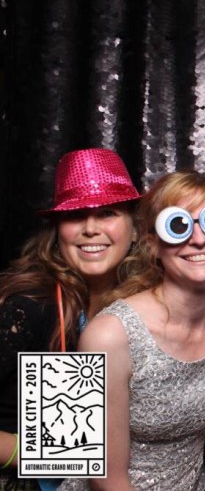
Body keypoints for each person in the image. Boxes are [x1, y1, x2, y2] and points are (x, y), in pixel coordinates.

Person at [60, 171, 205, 490]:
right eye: (178, 226)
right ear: (152, 244)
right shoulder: (109, 335)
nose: (199, 239)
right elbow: (106, 479)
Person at [0, 148, 139, 490]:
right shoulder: (30, 305)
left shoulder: (139, 305)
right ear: (57, 230)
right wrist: (38, 453)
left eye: (107, 213)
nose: (91, 229)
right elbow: (68, 450)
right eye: (76, 215)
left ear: (135, 228)